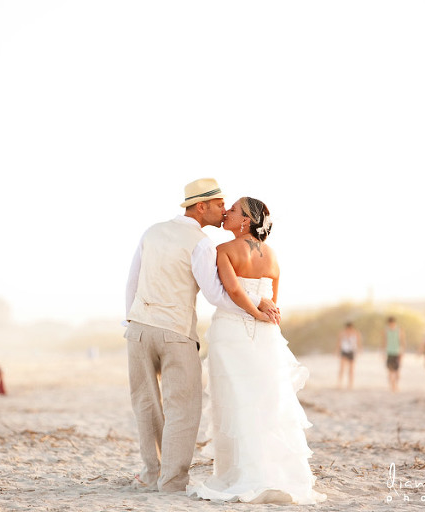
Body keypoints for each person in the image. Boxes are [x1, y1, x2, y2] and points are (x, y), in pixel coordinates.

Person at [125, 179, 280, 493]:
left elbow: (133, 280)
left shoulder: (151, 231)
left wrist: (129, 322)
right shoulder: (202, 243)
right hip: (176, 332)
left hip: (138, 329)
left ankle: (152, 473)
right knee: (183, 407)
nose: (223, 210)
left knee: (145, 403)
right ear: (202, 206)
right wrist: (255, 309)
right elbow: (217, 293)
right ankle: (171, 481)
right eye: (220, 204)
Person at [187, 197, 327, 504]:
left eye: (234, 210)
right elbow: (273, 301)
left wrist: (253, 311)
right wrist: (263, 311)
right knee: (267, 401)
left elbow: (233, 291)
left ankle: (238, 474)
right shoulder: (273, 256)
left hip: (232, 332)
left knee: (235, 401)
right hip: (267, 336)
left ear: (246, 221)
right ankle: (275, 472)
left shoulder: (222, 250)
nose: (227, 213)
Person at [382, 316, 406, 392]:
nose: (391, 325)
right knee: (390, 370)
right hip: (389, 352)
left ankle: (396, 385)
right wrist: (383, 352)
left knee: (397, 371)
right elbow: (384, 341)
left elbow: (402, 341)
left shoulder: (399, 330)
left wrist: (403, 351)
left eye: (392, 323)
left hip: (397, 352)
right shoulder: (386, 330)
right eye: (390, 324)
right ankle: (392, 386)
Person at [336, 321, 362, 389]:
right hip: (344, 351)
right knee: (342, 368)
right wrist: (337, 351)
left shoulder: (356, 333)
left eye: (350, 328)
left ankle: (350, 384)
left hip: (352, 352)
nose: (349, 329)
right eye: (348, 328)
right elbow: (339, 342)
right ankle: (339, 383)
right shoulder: (342, 333)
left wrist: (359, 350)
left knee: (351, 370)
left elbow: (358, 342)